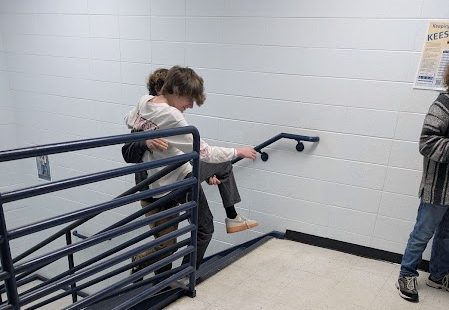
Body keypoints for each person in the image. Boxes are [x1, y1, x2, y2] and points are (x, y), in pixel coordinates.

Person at [123, 66, 258, 273]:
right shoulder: (173, 116)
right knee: (178, 241)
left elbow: (128, 119)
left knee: (218, 177)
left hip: (176, 172)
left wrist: (146, 133)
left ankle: (230, 220)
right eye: (189, 99)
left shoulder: (144, 102)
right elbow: (204, 152)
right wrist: (239, 151)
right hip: (172, 180)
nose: (190, 106)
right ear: (175, 91)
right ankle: (230, 220)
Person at [396, 64, 449, 302]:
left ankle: (438, 276)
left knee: (447, 235)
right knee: (422, 233)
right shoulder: (443, 103)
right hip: (438, 188)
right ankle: (406, 274)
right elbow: (426, 142)